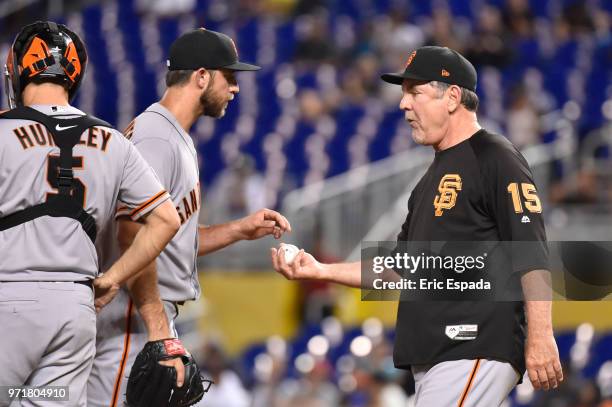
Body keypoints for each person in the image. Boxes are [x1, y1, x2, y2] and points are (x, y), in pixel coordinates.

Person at [271, 46, 563, 406]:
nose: (403, 104)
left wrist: (541, 335)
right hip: (439, 357)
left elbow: (531, 250)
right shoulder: (428, 181)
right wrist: (321, 268)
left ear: (452, 96)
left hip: (472, 344)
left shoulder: (495, 156)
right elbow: (398, 270)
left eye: (415, 92)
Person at [88, 28, 291, 406]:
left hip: (142, 315)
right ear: (201, 76)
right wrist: (157, 326)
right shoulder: (157, 138)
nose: (235, 87)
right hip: (131, 318)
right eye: (229, 76)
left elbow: (168, 241)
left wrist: (239, 230)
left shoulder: (169, 135)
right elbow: (132, 235)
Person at [0, 21, 179, 406]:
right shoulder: (113, 140)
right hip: (74, 309)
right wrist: (113, 278)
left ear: (18, 69)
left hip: (8, 300)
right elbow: (166, 219)